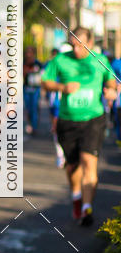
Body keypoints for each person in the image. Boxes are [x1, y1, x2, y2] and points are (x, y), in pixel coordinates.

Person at [41, 27, 118, 226]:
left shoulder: (100, 60)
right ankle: (77, 196)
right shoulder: (60, 60)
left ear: (90, 43)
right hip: (67, 120)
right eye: (73, 45)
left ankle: (87, 208)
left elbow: (111, 80)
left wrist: (111, 91)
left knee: (88, 161)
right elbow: (45, 82)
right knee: (72, 165)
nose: (76, 49)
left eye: (81, 45)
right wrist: (62, 87)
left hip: (93, 119)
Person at [23, 46, 43, 135]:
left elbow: (43, 75)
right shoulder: (23, 63)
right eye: (27, 52)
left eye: (30, 52)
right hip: (26, 88)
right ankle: (29, 124)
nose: (28, 54)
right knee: (28, 108)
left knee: (34, 107)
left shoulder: (38, 63)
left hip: (36, 89)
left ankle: (34, 126)